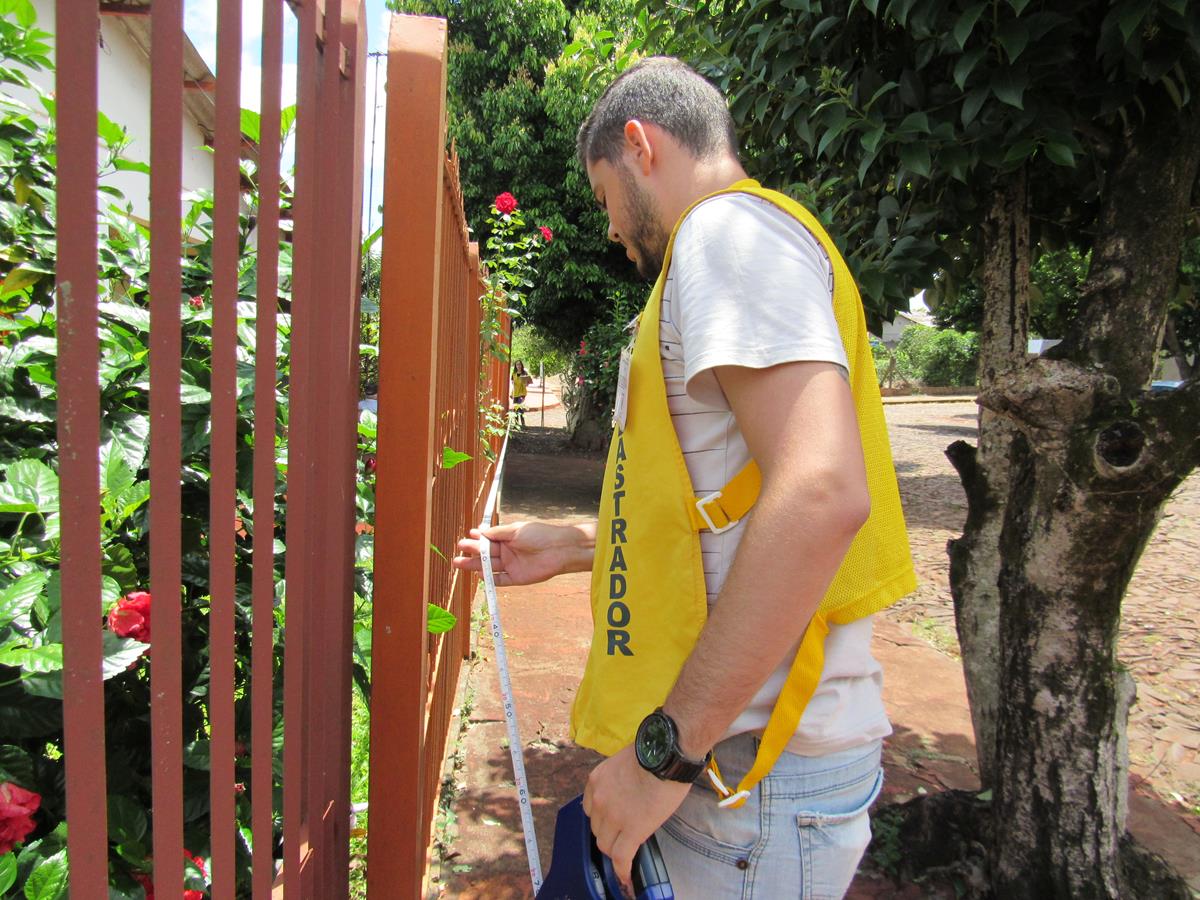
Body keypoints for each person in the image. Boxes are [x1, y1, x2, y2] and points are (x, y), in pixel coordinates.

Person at [454, 57, 915, 899]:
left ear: (640, 145)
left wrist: (664, 753)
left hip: (748, 775)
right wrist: (583, 547)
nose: (608, 230)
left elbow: (818, 495)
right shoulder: (734, 247)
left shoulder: (726, 236)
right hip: (747, 774)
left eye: (602, 196)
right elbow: (734, 500)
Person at [511, 360, 530, 428]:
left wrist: (526, 384)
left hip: (522, 393)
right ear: (515, 366)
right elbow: (513, 383)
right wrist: (511, 393)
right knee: (515, 409)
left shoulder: (525, 373)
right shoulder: (513, 374)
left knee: (520, 408)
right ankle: (516, 424)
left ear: (521, 365)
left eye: (519, 364)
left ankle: (523, 424)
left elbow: (527, 383)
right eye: (517, 365)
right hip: (515, 393)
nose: (518, 366)